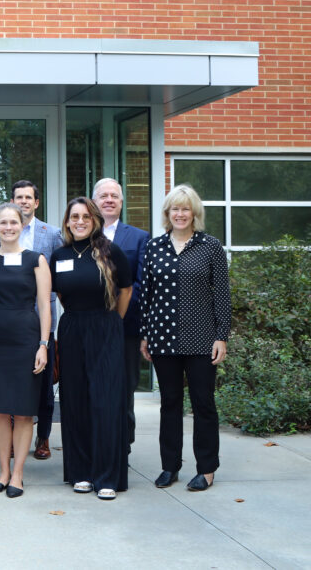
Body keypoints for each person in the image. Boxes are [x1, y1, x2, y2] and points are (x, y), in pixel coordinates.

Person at [141, 184, 230, 492]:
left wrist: (221, 336)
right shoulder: (154, 247)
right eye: (175, 209)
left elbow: (222, 295)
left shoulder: (210, 246)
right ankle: (170, 466)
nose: (180, 214)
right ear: (168, 213)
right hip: (163, 338)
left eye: (185, 209)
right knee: (170, 403)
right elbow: (147, 295)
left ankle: (206, 469)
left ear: (195, 213)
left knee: (203, 403)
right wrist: (145, 334)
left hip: (202, 339)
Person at [50, 198, 133, 500]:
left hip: (106, 327)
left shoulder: (111, 251)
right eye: (74, 216)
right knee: (75, 402)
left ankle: (107, 476)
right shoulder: (59, 255)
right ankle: (81, 473)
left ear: (95, 220)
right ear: (67, 221)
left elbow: (126, 289)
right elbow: (61, 293)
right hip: (72, 329)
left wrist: (112, 322)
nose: (80, 221)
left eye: (86, 216)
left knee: (106, 402)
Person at [0, 203, 51, 498]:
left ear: (22, 225)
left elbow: (45, 306)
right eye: (2, 222)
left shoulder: (36, 260)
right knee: (0, 411)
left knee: (24, 412)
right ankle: (3, 472)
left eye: (13, 222)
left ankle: (18, 474)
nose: (8, 227)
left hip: (26, 340)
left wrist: (43, 345)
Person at [93, 178, 150, 448]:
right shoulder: (83, 235)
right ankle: (97, 444)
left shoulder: (139, 237)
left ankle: (123, 447)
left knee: (124, 388)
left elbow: (141, 283)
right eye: (103, 196)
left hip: (126, 327)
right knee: (94, 387)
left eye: (114, 196)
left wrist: (118, 312)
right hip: (91, 326)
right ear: (94, 202)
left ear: (122, 202)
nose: (109, 200)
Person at [11, 179, 64, 460]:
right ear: (12, 201)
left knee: (44, 383)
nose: (23, 201)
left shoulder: (52, 234)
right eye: (19, 197)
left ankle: (43, 437)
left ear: (36, 202)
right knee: (12, 380)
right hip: (10, 317)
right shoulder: (4, 231)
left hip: (42, 318)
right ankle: (12, 438)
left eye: (28, 197)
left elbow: (61, 274)